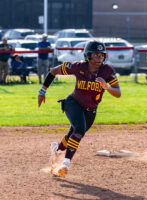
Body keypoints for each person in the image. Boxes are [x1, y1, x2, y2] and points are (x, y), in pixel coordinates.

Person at [38, 41, 121, 178]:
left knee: (73, 133)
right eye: (96, 55)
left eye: (101, 55)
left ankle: (57, 149)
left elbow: (118, 93)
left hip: (91, 110)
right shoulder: (78, 67)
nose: (99, 58)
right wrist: (42, 91)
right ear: (88, 56)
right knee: (79, 130)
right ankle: (65, 164)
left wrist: (106, 87)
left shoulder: (107, 71)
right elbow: (53, 71)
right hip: (73, 103)